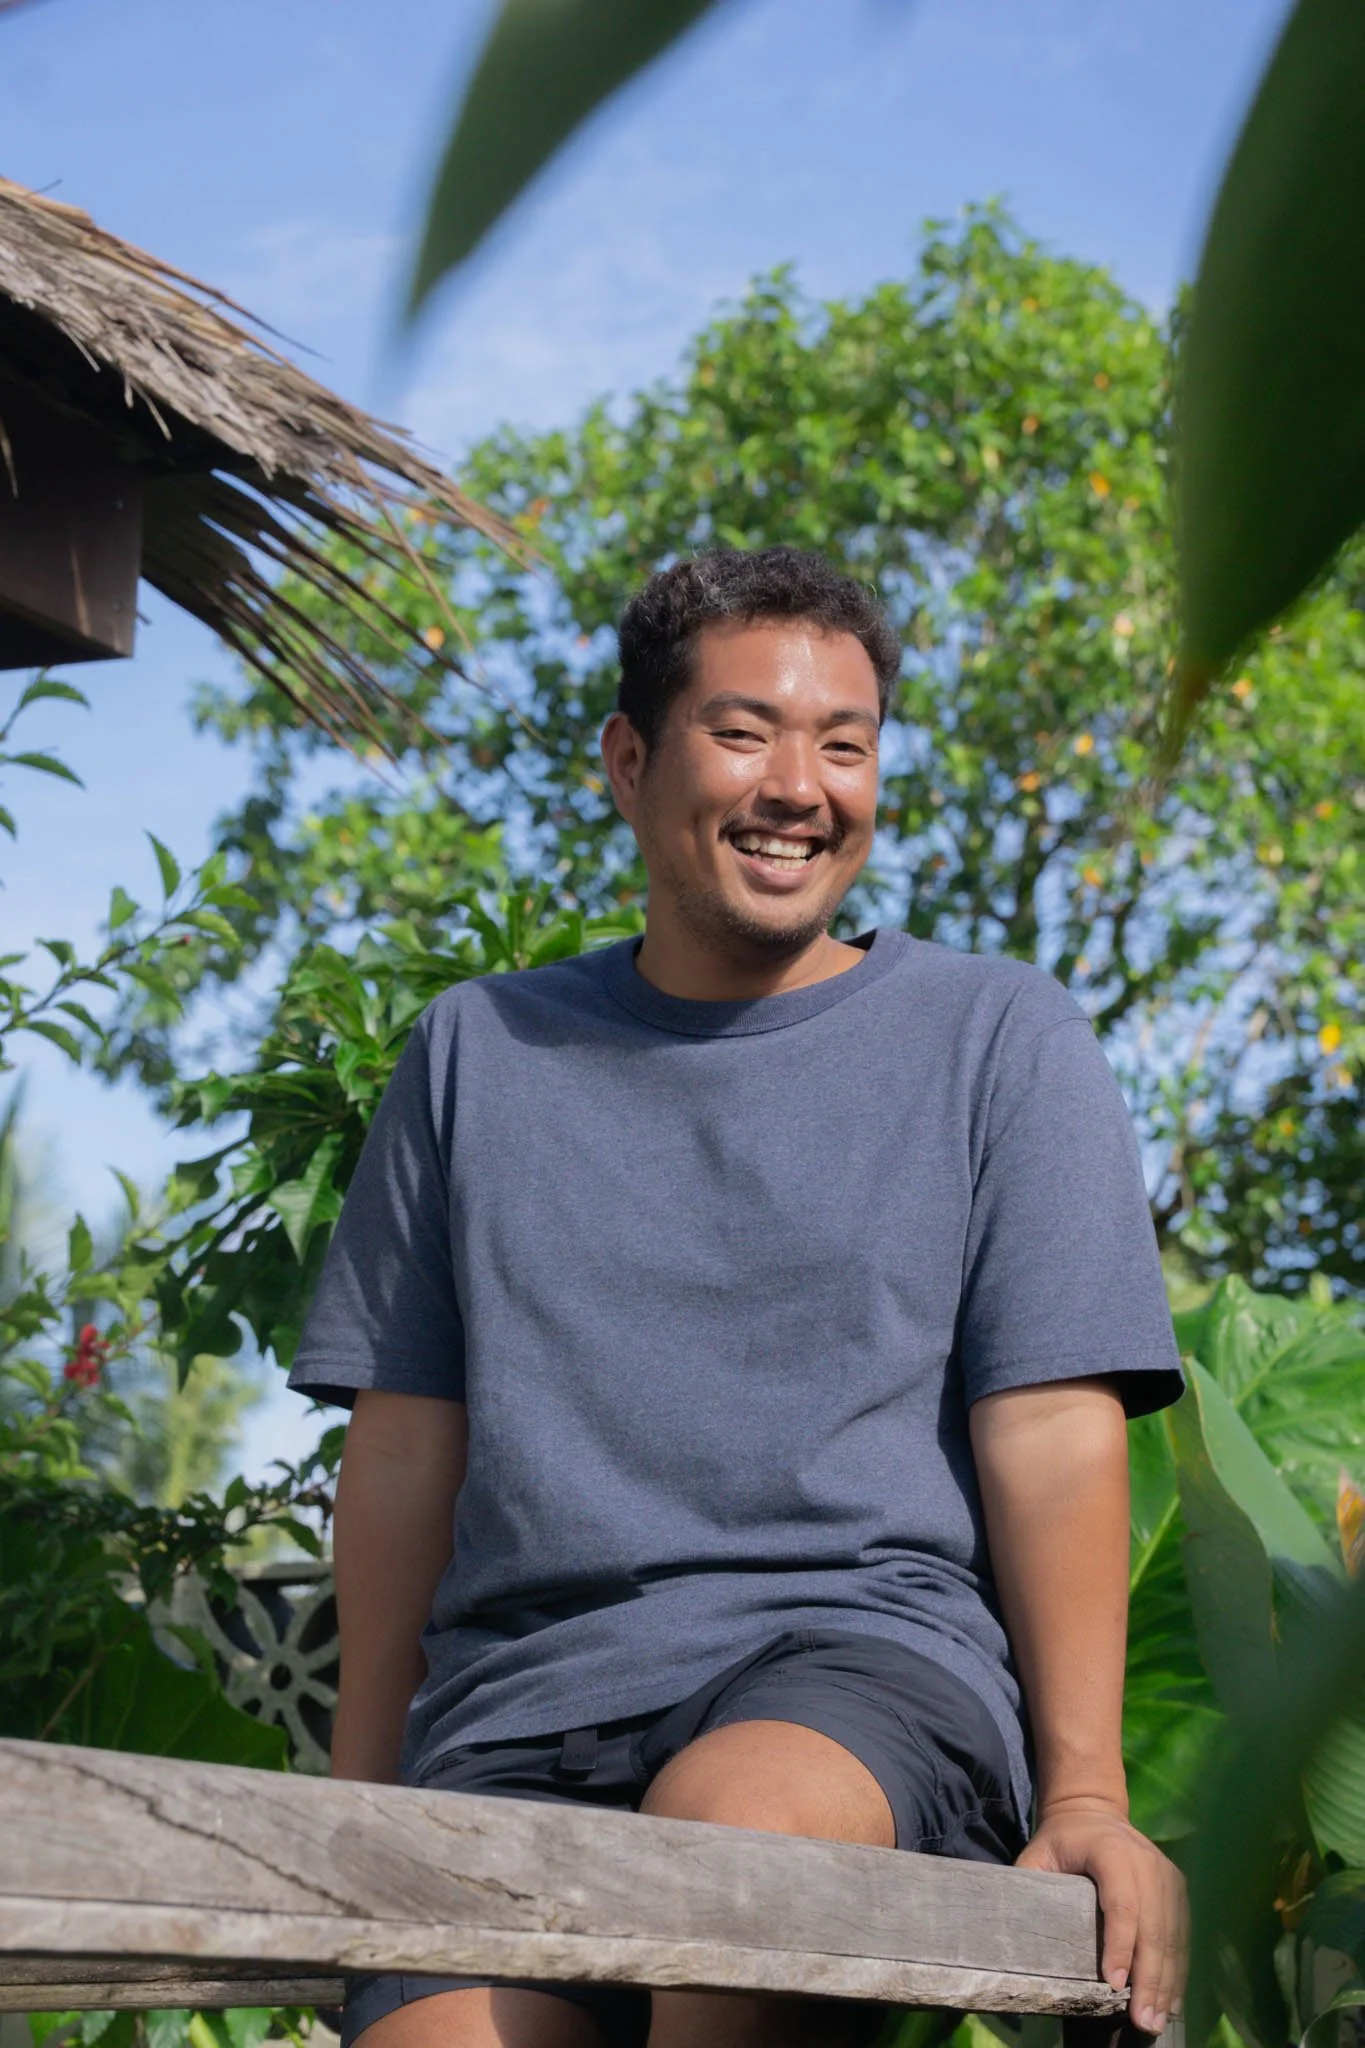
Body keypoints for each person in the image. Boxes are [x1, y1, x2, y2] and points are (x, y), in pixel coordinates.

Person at [289, 545, 1188, 2048]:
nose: (801, 784)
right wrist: (357, 1827)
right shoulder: (475, 1055)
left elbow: (1054, 1432)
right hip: (523, 1707)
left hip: (855, 1671)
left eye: (845, 743)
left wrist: (1087, 1793)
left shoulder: (996, 1040)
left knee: (731, 1845)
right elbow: (402, 1454)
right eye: (746, 730)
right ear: (630, 763)